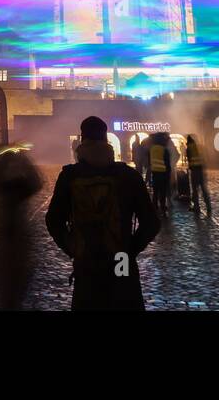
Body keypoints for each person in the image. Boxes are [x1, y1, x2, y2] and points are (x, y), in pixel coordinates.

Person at [46, 117, 160, 310]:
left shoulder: (70, 176)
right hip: (121, 259)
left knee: (88, 303)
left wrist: (72, 248)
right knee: (123, 297)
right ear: (106, 140)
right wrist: (129, 250)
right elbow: (151, 223)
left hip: (86, 260)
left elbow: (53, 220)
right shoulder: (127, 175)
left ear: (82, 140)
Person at [0, 143, 43, 310]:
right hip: (17, 240)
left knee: (8, 292)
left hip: (6, 241)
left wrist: (3, 161)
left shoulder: (3, 189)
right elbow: (36, 182)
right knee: (15, 288)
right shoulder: (20, 191)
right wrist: (24, 160)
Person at [184, 134, 211, 216]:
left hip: (194, 171)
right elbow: (205, 157)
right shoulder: (200, 146)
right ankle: (209, 207)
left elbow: (189, 159)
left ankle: (197, 207)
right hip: (201, 170)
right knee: (204, 189)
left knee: (195, 190)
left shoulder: (189, 148)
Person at [148, 132, 173, 215]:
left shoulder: (152, 149)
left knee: (155, 192)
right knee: (163, 192)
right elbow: (167, 163)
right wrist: (169, 175)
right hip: (163, 174)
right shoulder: (164, 149)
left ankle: (154, 208)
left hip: (155, 173)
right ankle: (163, 208)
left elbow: (149, 161)